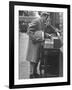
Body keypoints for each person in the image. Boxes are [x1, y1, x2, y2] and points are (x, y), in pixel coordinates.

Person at [26, 12, 61, 78]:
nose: (46, 19)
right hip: (34, 43)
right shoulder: (36, 21)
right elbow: (29, 30)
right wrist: (34, 39)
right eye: (46, 17)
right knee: (33, 59)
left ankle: (35, 73)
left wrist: (48, 35)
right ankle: (31, 74)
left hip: (38, 42)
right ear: (43, 16)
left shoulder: (42, 22)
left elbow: (42, 32)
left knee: (36, 58)